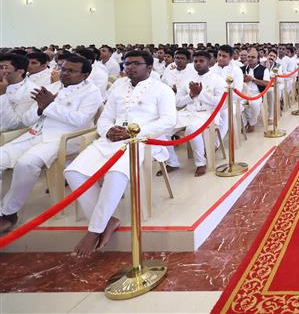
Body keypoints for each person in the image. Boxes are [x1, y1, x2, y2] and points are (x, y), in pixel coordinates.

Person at [63, 50, 176, 256]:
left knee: (116, 173)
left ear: (149, 67)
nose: (129, 67)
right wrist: (107, 130)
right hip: (111, 140)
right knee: (73, 172)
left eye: (136, 63)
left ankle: (95, 229)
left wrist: (137, 132)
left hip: (141, 141)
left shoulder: (162, 90)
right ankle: (108, 220)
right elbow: (105, 118)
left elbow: (169, 121)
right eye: (127, 63)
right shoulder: (117, 87)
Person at [0, 55, 102, 232]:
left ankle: (9, 212)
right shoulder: (51, 87)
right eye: (63, 69)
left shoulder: (92, 92)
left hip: (63, 138)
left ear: (85, 75)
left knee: (26, 163)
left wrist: (50, 105)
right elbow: (26, 118)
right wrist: (40, 108)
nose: (65, 73)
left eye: (71, 71)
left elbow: (80, 120)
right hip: (34, 134)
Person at [170, 51, 227, 177]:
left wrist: (201, 94)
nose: (198, 64)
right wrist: (191, 95)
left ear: (209, 62)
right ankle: (172, 162)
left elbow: (221, 103)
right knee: (164, 129)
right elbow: (177, 102)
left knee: (191, 129)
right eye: (195, 61)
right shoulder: (187, 79)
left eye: (201, 61)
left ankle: (201, 163)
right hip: (188, 113)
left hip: (209, 115)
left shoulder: (217, 80)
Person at [0, 53, 38, 131]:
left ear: (20, 71)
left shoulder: (31, 91)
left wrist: (2, 95)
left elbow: (13, 125)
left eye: (3, 68)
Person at [242, 47, 266, 132]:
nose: (250, 59)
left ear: (258, 59)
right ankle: (245, 123)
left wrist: (253, 80)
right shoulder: (242, 69)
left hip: (257, 94)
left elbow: (267, 83)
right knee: (239, 105)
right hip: (243, 94)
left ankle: (252, 123)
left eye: (253, 57)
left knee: (254, 104)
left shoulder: (263, 69)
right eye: (249, 57)